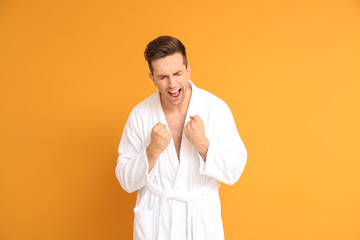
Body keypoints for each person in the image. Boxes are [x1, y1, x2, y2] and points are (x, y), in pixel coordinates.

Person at [115, 35, 247, 240]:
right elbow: (126, 180)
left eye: (177, 73)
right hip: (157, 224)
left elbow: (234, 171)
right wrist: (152, 151)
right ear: (152, 78)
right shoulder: (140, 115)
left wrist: (202, 144)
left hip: (201, 221)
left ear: (188, 70)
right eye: (162, 77)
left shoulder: (215, 108)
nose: (172, 83)